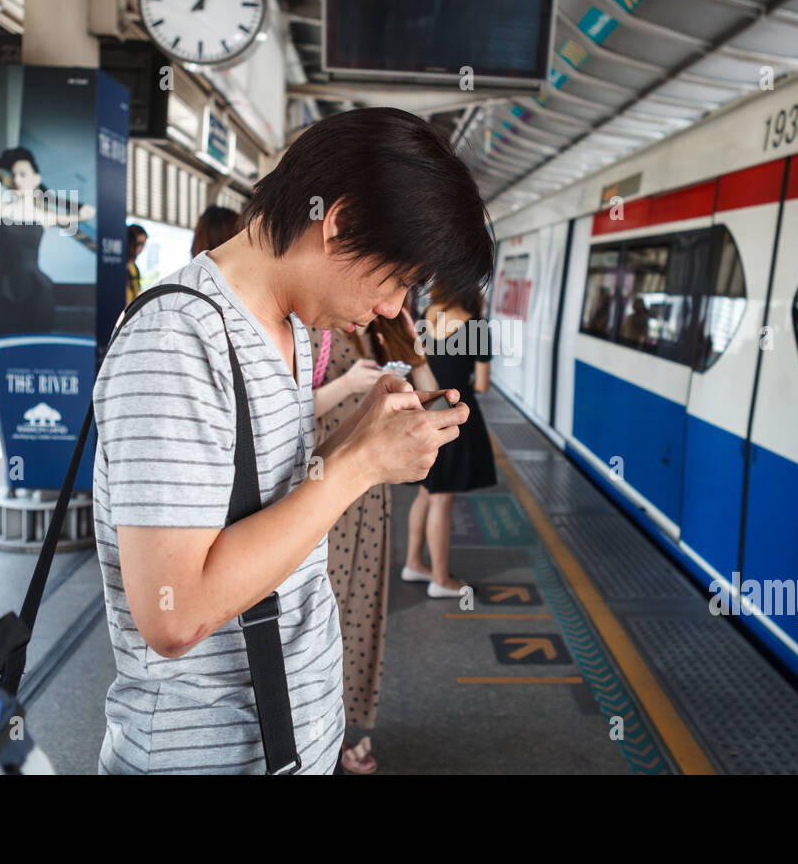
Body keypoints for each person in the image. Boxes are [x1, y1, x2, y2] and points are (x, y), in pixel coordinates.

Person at [91, 107, 493, 775]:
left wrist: (356, 440)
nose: (396, 309)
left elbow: (270, 510)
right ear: (338, 224)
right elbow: (175, 614)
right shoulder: (179, 340)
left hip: (284, 745)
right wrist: (357, 466)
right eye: (396, 279)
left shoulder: (286, 328)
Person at [307, 306, 436, 774]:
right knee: (321, 615)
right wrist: (348, 384)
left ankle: (344, 730)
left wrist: (411, 347)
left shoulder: (384, 327)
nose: (391, 297)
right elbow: (288, 409)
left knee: (361, 614)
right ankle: (312, 734)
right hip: (323, 488)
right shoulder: (315, 322)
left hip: (371, 496)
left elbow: (430, 400)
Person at [404, 281, 497, 598]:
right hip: (455, 416)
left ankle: (414, 562)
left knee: (426, 492)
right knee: (442, 499)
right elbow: (482, 385)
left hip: (428, 412)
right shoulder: (475, 326)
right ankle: (440, 579)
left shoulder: (426, 315)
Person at [0, 146, 96, 336]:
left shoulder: (45, 216)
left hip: (37, 292)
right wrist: (3, 163)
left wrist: (52, 197)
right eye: (13, 174)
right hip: (5, 291)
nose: (16, 180)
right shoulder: (0, 209)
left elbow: (88, 212)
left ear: (36, 178)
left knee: (39, 349)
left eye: (23, 174)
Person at [125, 223, 147, 304]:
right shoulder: (122, 268)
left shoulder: (134, 268)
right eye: (138, 244)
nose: (140, 249)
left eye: (143, 244)